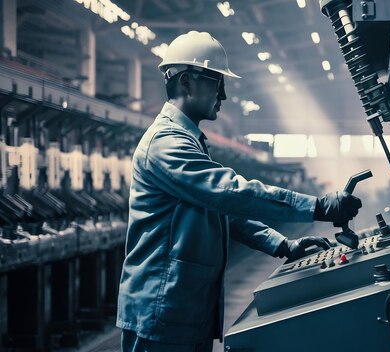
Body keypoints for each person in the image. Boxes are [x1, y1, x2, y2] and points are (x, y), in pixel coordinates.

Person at [116, 31, 362, 352]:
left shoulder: (189, 140)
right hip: (161, 311)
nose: (225, 95)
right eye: (218, 82)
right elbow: (232, 194)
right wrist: (319, 207)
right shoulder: (167, 143)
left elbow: (224, 211)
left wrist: (283, 245)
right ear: (187, 83)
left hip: (181, 309)